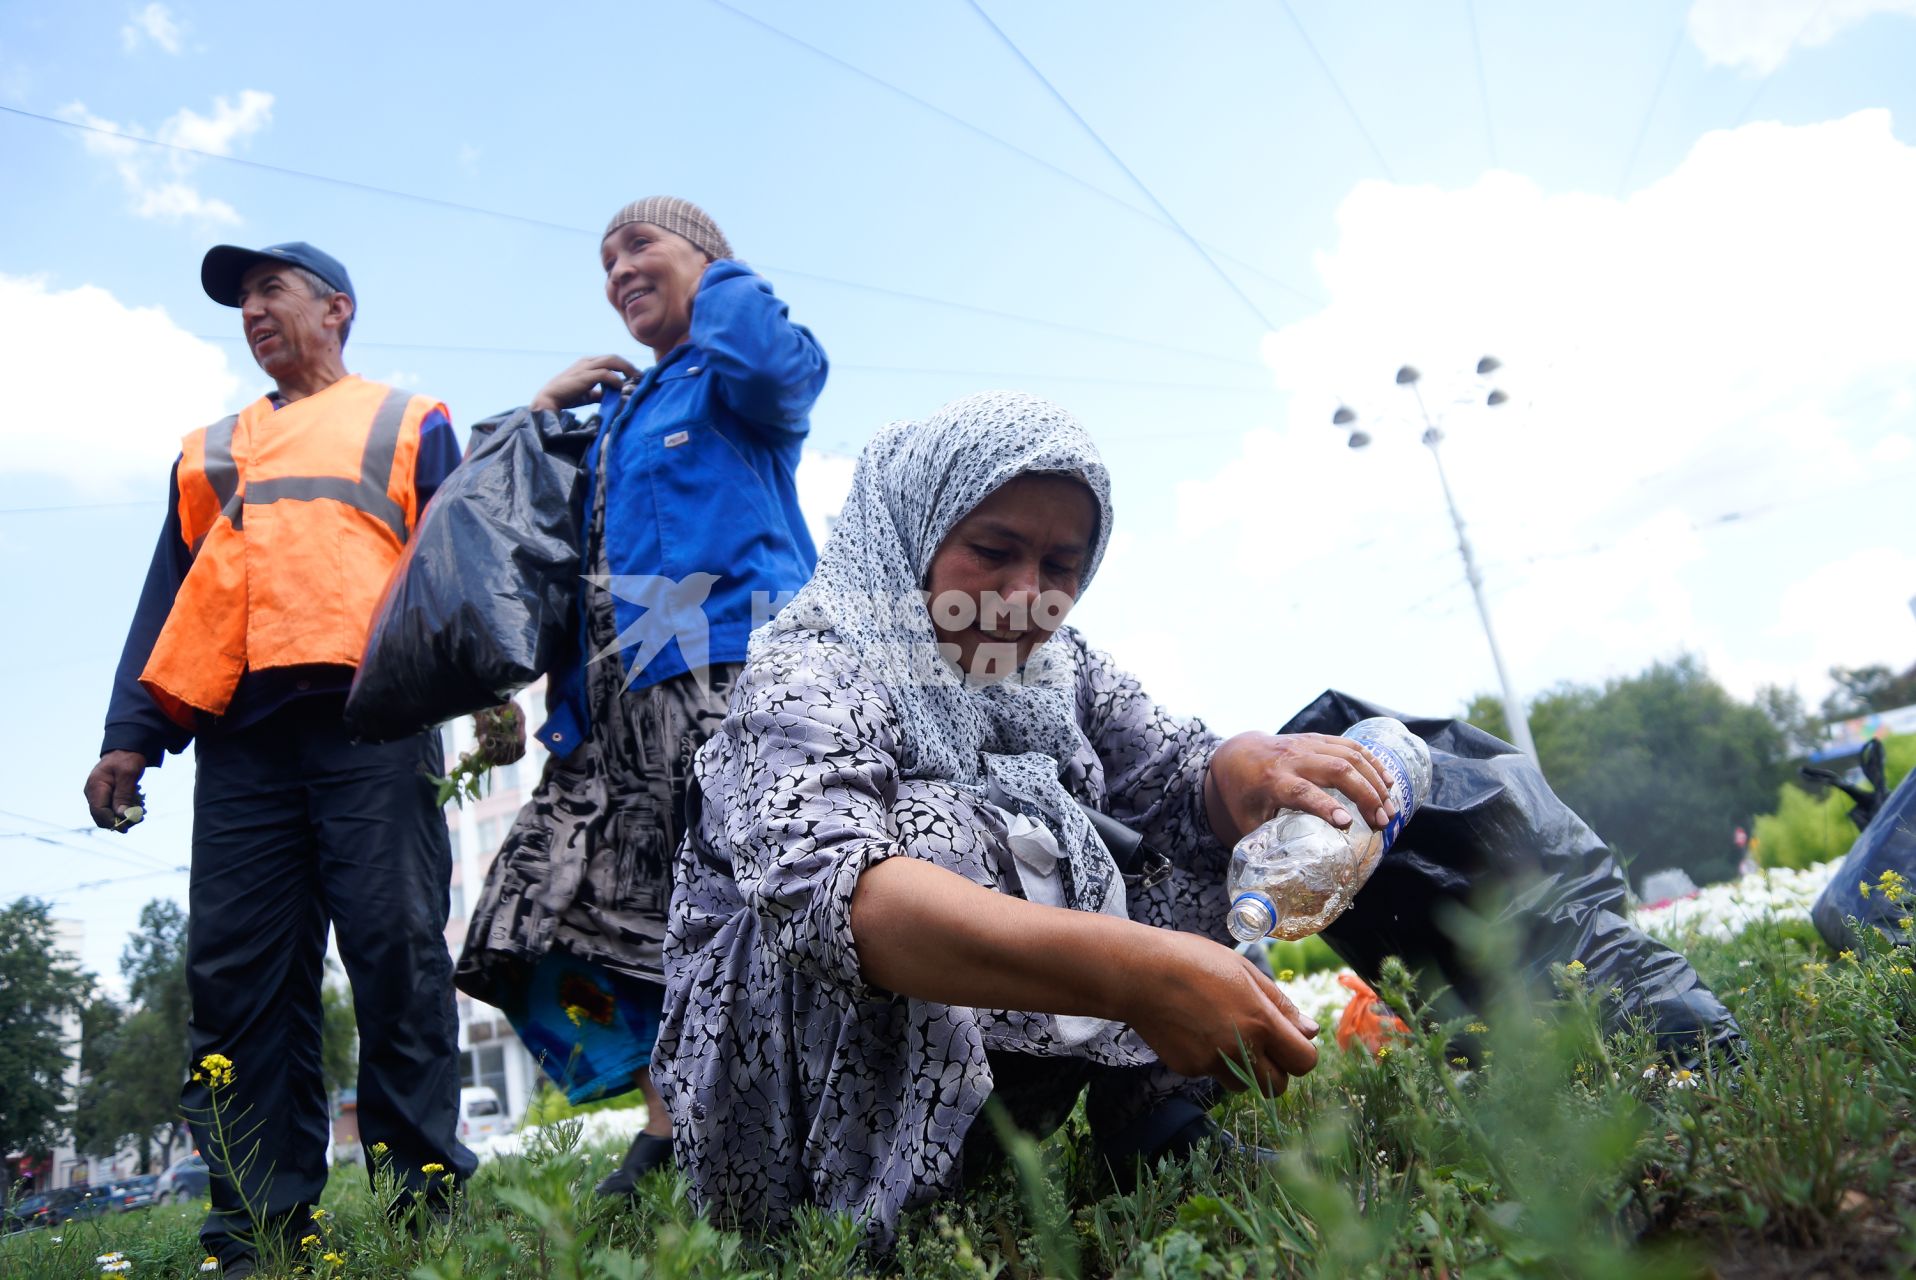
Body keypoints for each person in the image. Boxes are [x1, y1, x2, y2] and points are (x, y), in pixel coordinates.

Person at [655, 391, 1395, 1245]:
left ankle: (1153, 1123)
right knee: (943, 835)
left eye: (1061, 566)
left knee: (1187, 836)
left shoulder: (1058, 668)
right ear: (916, 532)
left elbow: (1176, 774)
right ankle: (860, 1209)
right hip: (785, 1110)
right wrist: (1137, 974)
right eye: (993, 551)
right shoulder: (812, 663)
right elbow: (830, 900)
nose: (1026, 596)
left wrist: (1258, 770)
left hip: (962, 1077)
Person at [84, 241, 501, 1277]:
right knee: (239, 984)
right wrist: (126, 736)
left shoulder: (409, 421)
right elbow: (167, 600)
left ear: (337, 308)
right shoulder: (208, 449)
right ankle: (261, 1228)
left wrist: (489, 689)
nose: (253, 310)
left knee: (398, 958)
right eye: (241, 300)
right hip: (240, 744)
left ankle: (424, 1208)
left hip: (375, 722)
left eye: (271, 289)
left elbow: (453, 567)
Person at [456, 196, 828, 1196]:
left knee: (748, 901)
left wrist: (721, 275)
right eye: (603, 260)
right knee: (587, 916)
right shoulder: (614, 418)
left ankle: (755, 1124)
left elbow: (774, 366)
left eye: (639, 247)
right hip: (616, 714)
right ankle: (668, 1125)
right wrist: (544, 406)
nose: (617, 270)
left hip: (734, 677)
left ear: (703, 258)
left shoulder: (726, 378)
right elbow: (519, 529)